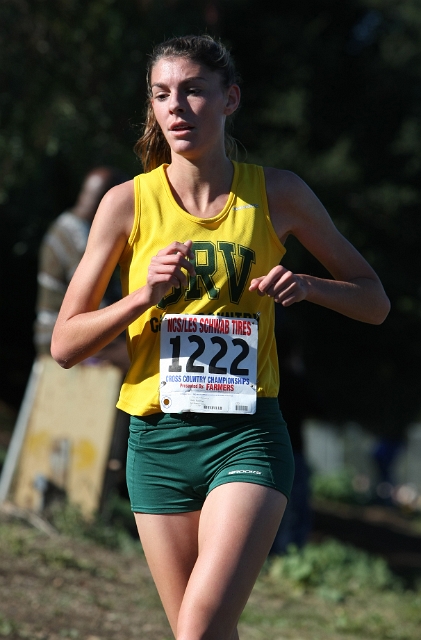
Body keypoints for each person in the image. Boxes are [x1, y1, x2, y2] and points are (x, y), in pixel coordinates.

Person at [51, 35, 390, 640]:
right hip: (157, 441)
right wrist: (138, 298)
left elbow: (374, 301)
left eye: (193, 91)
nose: (176, 107)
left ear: (230, 98)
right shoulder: (126, 204)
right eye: (162, 95)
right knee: (204, 632)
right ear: (152, 108)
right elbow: (65, 344)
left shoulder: (278, 194)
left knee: (200, 627)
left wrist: (310, 287)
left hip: (247, 436)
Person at [34, 166, 127, 360]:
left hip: (56, 331)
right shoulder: (79, 238)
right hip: (58, 335)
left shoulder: (68, 226)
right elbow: (92, 301)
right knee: (143, 353)